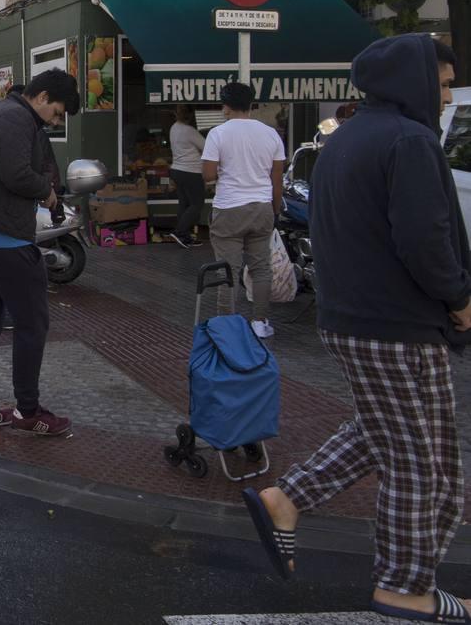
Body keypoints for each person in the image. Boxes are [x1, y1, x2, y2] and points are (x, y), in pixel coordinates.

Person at [242, 36, 471, 622]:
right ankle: (403, 586)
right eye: (442, 83)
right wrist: (460, 299)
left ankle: (283, 500)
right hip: (399, 321)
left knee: (383, 432)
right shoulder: (411, 141)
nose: (446, 95)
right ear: (414, 81)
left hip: (349, 317)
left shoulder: (344, 141)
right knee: (426, 467)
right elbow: (425, 240)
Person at [0, 70, 80, 436]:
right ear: (41, 97)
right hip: (3, 236)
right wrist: (47, 192)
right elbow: (17, 175)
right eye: (56, 112)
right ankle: (28, 411)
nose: (55, 121)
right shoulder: (16, 119)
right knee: (32, 324)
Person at [201, 82, 285, 337]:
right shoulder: (271, 134)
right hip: (262, 207)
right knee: (261, 268)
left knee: (228, 269)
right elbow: (277, 179)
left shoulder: (217, 134)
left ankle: (227, 325)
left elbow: (208, 175)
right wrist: (274, 208)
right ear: (251, 104)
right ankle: (260, 323)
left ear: (225, 106)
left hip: (229, 209)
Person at [169, 105, 207, 248]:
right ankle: (180, 232)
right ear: (190, 116)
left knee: (184, 203)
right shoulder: (189, 131)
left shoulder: (174, 128)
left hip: (177, 170)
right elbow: (207, 146)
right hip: (191, 171)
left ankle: (184, 237)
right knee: (197, 204)